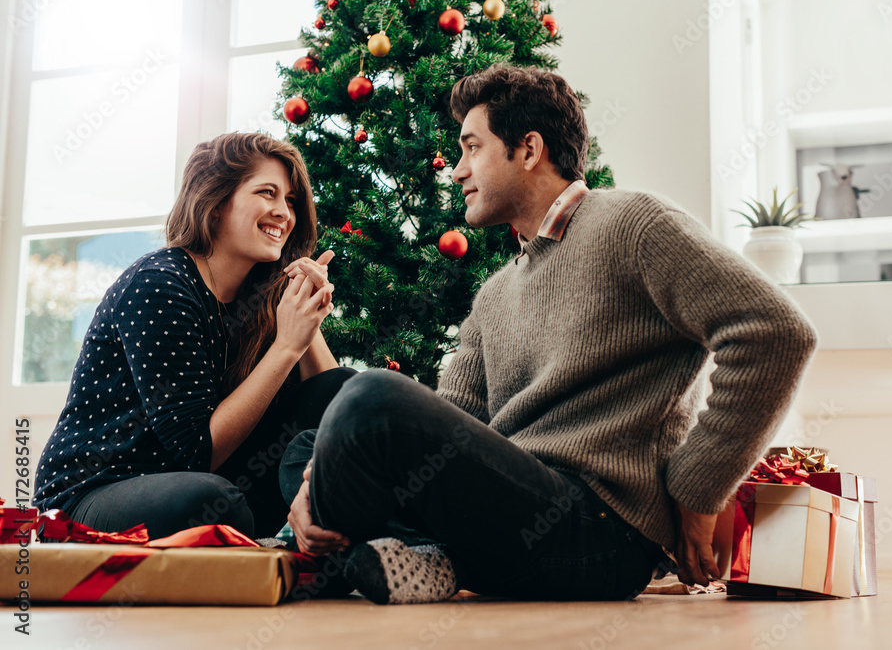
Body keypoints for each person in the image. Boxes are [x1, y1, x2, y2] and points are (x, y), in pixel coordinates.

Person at [280, 64, 819, 605]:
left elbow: (774, 332)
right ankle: (428, 558)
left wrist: (698, 488)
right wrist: (313, 480)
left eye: (472, 148)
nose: (457, 172)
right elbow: (450, 424)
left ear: (529, 149)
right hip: (511, 515)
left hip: (599, 530)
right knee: (305, 447)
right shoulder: (494, 293)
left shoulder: (631, 223)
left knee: (370, 396)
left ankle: (379, 554)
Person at [33, 132, 353, 541]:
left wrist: (305, 320)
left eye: (290, 201)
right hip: (93, 493)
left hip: (205, 478)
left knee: (344, 388)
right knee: (211, 502)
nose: (283, 213)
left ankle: (312, 537)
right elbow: (196, 453)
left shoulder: (260, 292)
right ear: (216, 204)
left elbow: (336, 407)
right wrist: (286, 346)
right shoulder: (159, 285)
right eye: (267, 193)